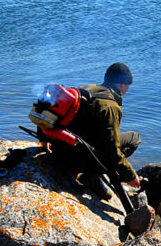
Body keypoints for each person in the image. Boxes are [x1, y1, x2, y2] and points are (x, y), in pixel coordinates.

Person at [42, 62, 141, 198]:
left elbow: (52, 111)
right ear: (121, 84)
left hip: (60, 151)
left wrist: (44, 137)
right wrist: (129, 175)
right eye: (128, 85)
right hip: (78, 160)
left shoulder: (84, 89)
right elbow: (112, 150)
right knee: (133, 138)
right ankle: (92, 176)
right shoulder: (110, 106)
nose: (127, 90)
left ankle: (89, 171)